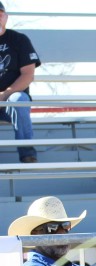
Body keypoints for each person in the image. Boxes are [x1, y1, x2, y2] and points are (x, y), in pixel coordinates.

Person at [0, 2, 40, 163]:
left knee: (20, 99)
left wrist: (5, 94)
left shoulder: (19, 39)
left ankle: (27, 152)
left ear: (6, 17)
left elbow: (28, 74)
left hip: (11, 99)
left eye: (0, 13)